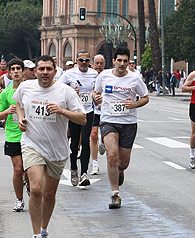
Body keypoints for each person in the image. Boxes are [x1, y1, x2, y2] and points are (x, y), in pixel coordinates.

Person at [14, 55, 86, 238]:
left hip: (57, 149)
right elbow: (18, 103)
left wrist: (62, 111)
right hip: (32, 144)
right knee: (36, 189)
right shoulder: (26, 87)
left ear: (55, 71)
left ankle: (44, 232)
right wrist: (21, 118)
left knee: (49, 194)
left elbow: (82, 118)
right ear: (35, 71)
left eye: (48, 69)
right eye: (41, 69)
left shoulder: (65, 91)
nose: (44, 72)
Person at [93, 47, 149, 209]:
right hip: (108, 120)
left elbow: (145, 97)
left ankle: (120, 171)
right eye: (119, 60)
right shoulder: (103, 76)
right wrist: (95, 97)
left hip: (128, 122)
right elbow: (95, 93)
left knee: (123, 162)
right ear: (114, 61)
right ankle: (114, 194)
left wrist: (135, 104)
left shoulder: (135, 78)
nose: (122, 64)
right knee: (112, 156)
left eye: (125, 61)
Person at [59, 50, 98, 187]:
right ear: (76, 61)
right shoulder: (69, 74)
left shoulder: (94, 74)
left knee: (86, 141)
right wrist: (70, 92)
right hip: (74, 112)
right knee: (74, 143)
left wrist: (95, 95)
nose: (84, 63)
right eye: (81, 60)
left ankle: (84, 173)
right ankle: (74, 168)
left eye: (86, 60)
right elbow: (58, 89)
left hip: (88, 111)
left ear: (90, 62)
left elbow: (98, 90)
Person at [0, 58, 29, 212]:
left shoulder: (31, 90)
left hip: (30, 135)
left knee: (28, 170)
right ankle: (19, 199)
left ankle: (28, 184)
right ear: (9, 73)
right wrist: (7, 111)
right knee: (18, 169)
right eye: (13, 69)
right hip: (13, 136)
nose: (16, 71)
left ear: (23, 71)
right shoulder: (6, 93)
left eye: (18, 69)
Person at [89, 54, 106, 175]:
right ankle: (94, 164)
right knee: (93, 135)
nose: (99, 66)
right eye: (97, 63)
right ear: (93, 63)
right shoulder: (89, 75)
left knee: (105, 136)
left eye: (101, 63)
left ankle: (103, 142)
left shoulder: (108, 76)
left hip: (106, 111)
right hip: (93, 110)